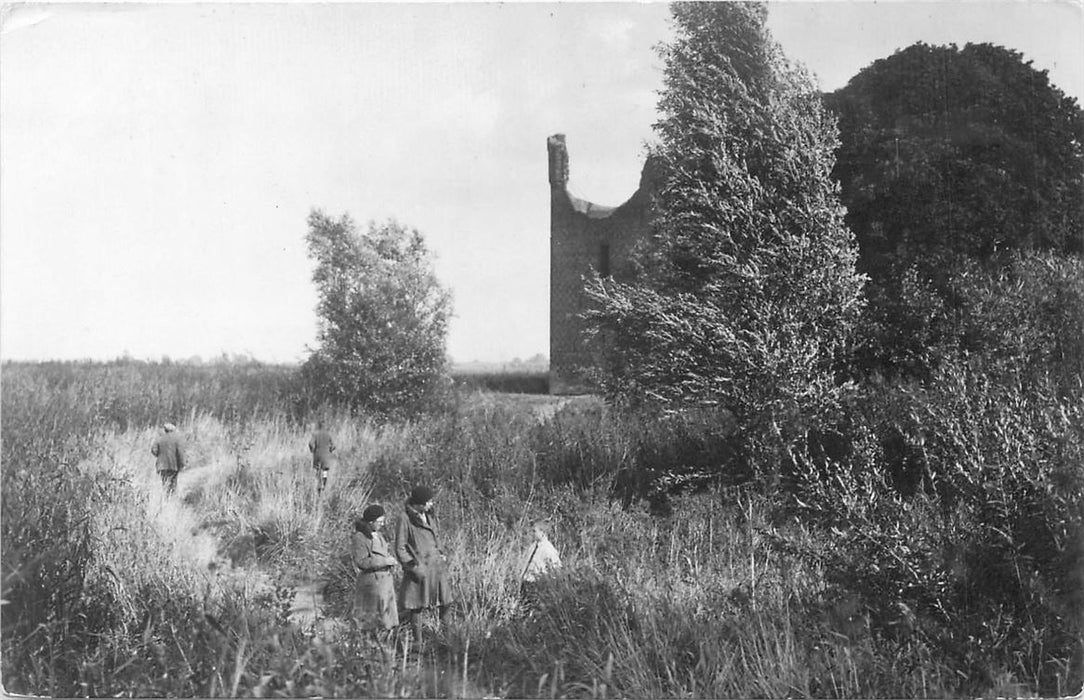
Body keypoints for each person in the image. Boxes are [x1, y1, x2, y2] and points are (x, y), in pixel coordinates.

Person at [395, 485, 454, 639]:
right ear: (419, 503)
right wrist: (414, 567)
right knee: (417, 606)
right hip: (420, 568)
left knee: (446, 601)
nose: (431, 504)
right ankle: (418, 642)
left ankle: (446, 638)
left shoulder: (429, 515)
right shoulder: (405, 518)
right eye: (428, 502)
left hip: (437, 567)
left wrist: (442, 554)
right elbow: (400, 548)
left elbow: (436, 537)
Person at [351, 504, 399, 632]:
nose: (382, 524)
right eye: (379, 521)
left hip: (384, 582)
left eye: (383, 521)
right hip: (372, 584)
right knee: (372, 622)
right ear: (371, 522)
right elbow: (361, 562)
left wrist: (390, 560)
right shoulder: (360, 537)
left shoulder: (377, 534)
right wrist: (384, 561)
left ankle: (385, 645)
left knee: (387, 619)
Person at [518, 519, 562, 605]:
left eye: (535, 531)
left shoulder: (548, 549)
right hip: (526, 582)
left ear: (543, 532)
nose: (532, 533)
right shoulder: (533, 546)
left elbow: (556, 568)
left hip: (536, 584)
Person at [151, 422, 185, 496]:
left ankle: (166, 499)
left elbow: (154, 450)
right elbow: (180, 453)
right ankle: (172, 499)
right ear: (173, 430)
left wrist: (159, 456)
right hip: (173, 465)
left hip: (161, 465)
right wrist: (181, 464)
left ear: (165, 430)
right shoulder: (177, 439)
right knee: (173, 484)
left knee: (165, 483)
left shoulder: (159, 439)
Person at [308, 421, 335, 494]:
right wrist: (330, 450)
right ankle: (324, 485)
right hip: (326, 455)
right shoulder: (328, 435)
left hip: (317, 454)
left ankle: (318, 485)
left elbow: (310, 443)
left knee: (317, 470)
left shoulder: (315, 434)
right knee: (325, 471)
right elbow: (333, 446)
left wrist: (312, 450)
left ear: (319, 426)